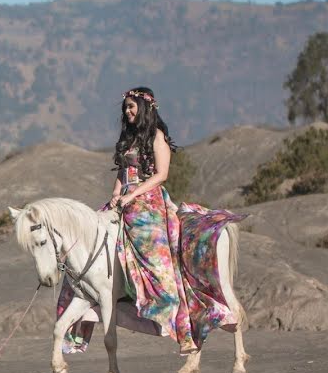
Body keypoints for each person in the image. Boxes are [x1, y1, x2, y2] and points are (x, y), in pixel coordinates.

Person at [60, 87, 245, 355]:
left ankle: (177, 320)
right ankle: (89, 305)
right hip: (124, 200)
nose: (127, 111)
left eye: (131, 107)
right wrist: (115, 195)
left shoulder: (157, 137)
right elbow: (123, 172)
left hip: (148, 202)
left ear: (145, 108)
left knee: (151, 253)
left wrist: (132, 193)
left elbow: (161, 174)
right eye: (125, 107)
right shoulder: (129, 139)